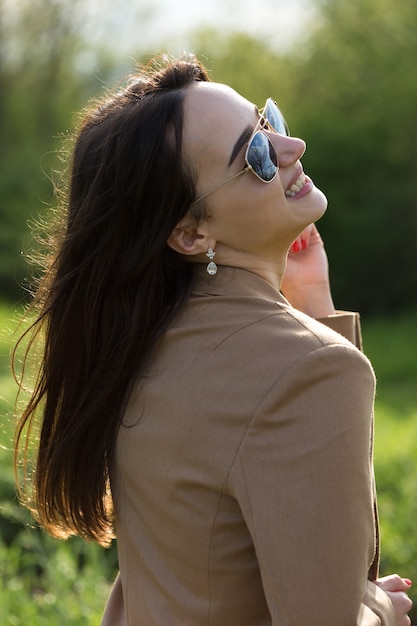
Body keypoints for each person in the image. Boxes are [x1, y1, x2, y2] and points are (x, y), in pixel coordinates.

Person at [14, 54, 412, 625]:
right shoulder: (311, 370)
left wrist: (312, 303)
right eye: (255, 155)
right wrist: (378, 611)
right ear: (189, 232)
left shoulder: (139, 342)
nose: (291, 145)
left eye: (266, 120)